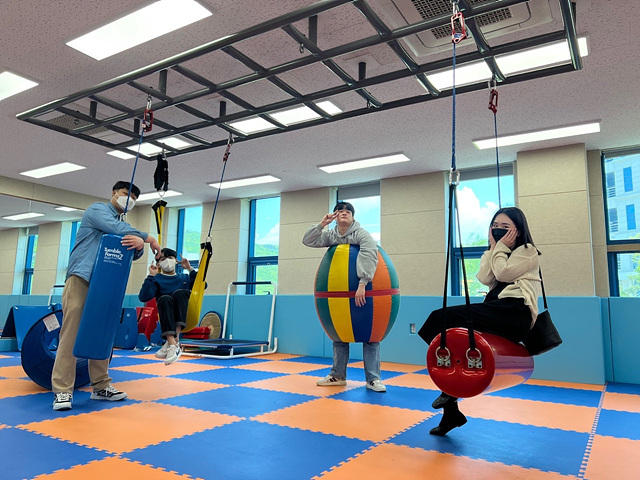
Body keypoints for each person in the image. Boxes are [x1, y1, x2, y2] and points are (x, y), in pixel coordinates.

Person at [418, 206, 542, 435]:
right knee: (438, 327)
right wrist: (493, 247)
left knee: (439, 318)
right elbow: (485, 277)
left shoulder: (527, 251)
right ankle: (451, 409)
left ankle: (450, 397)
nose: (498, 230)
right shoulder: (498, 251)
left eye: (505, 227)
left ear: (517, 230)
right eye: (494, 226)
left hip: (515, 312)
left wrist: (499, 248)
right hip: (497, 309)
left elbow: (504, 273)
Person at [51, 181, 161, 411]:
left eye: (134, 198)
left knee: (102, 334)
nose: (129, 200)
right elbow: (115, 228)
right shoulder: (97, 210)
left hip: (105, 284)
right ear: (114, 193)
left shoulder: (124, 224)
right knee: (71, 334)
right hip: (81, 278)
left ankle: (101, 386)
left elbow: (132, 250)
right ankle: (62, 391)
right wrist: (148, 238)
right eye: (125, 194)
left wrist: (139, 244)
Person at [302, 201, 386, 393]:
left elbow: (369, 254)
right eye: (340, 211)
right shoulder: (331, 235)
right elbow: (307, 240)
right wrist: (322, 224)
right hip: (338, 294)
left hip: (365, 291)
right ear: (335, 216)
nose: (344, 213)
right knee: (339, 335)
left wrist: (363, 283)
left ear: (353, 217)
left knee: (371, 336)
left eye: (348, 211)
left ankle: (373, 379)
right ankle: (337, 376)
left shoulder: (361, 234)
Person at [138, 248, 197, 365]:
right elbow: (143, 297)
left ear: (176, 261)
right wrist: (151, 276)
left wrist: (190, 269)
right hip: (166, 312)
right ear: (158, 263)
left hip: (184, 312)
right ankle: (173, 343)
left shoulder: (184, 278)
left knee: (180, 293)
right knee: (165, 298)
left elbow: (202, 285)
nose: (167, 261)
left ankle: (172, 342)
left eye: (170, 258)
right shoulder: (157, 279)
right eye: (163, 259)